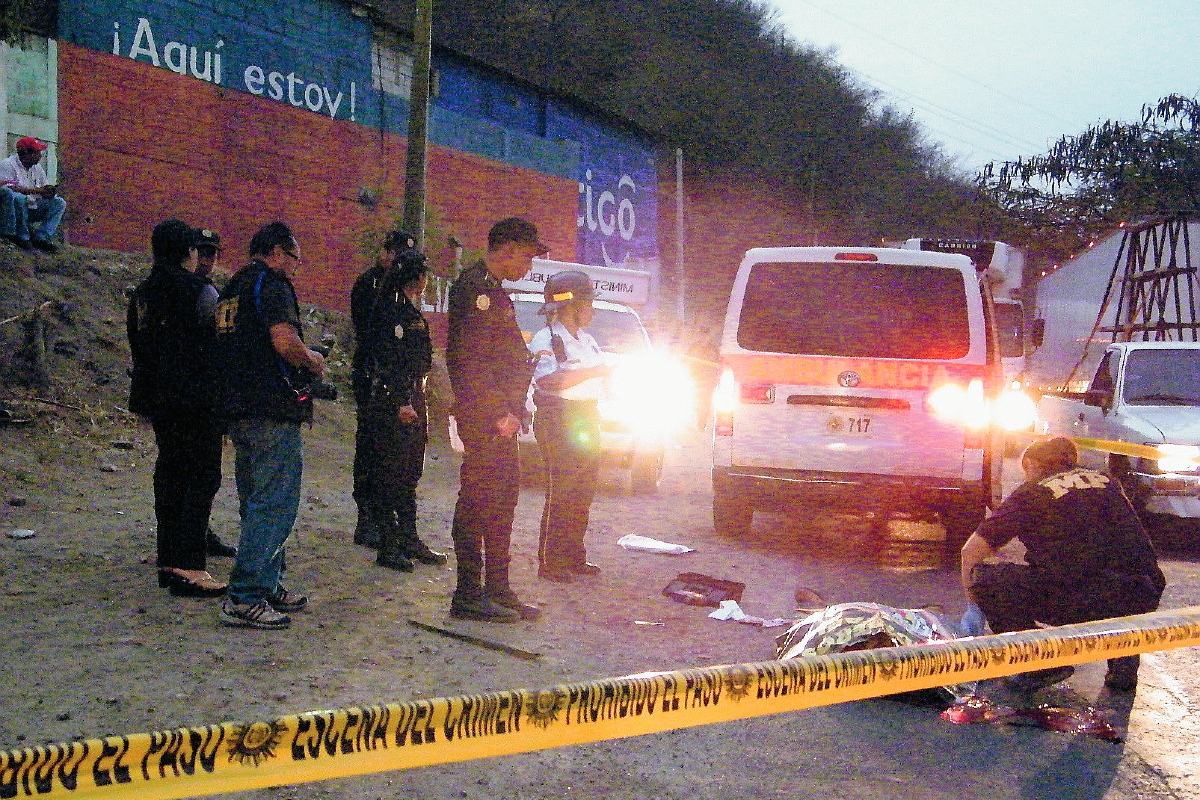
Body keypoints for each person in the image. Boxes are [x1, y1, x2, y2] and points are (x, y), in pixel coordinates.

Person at [961, 436, 1166, 693]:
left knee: (987, 580)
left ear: (1033, 465)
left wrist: (974, 606)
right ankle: (1123, 665)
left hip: (1084, 599)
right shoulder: (1107, 482)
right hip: (1142, 595)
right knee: (1122, 578)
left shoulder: (1033, 492)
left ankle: (1039, 663)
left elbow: (971, 551)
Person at [212, 221, 325, 629]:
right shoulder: (271, 283)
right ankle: (244, 596)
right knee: (274, 504)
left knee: (255, 502)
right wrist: (312, 360)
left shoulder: (233, 288)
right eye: (295, 258)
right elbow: (284, 342)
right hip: (270, 407)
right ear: (278, 252)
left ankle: (267, 580)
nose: (296, 266)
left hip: (237, 407)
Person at [445, 217, 547, 623]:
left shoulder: (495, 291)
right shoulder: (475, 289)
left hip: (503, 417)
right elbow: (468, 361)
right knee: (477, 500)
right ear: (505, 249)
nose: (529, 265)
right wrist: (497, 413)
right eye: (526, 255)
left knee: (503, 500)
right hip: (487, 419)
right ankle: (468, 594)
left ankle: (498, 588)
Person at [127, 219, 226, 598]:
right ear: (187, 252)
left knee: (169, 473)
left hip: (156, 397)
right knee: (200, 478)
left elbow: (138, 343)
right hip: (196, 400)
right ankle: (190, 566)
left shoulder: (142, 294)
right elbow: (217, 344)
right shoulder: (200, 292)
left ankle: (169, 561)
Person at [353, 231, 447, 572]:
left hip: (413, 396)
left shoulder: (408, 310)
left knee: (410, 472)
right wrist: (402, 401)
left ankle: (408, 536)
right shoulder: (393, 312)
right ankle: (389, 543)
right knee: (390, 471)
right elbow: (389, 360)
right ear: (417, 278)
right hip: (396, 400)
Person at [528, 270, 611, 582]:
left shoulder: (587, 341)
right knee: (561, 490)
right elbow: (550, 380)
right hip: (558, 417)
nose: (592, 310)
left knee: (583, 490)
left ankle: (574, 555)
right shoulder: (547, 339)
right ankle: (551, 561)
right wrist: (593, 373)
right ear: (572, 307)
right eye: (588, 304)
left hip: (586, 415)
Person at [350, 230, 411, 549]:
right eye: (396, 256)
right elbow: (369, 333)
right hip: (372, 374)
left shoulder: (401, 290)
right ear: (385, 253)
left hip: (394, 377)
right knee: (370, 446)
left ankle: (387, 516)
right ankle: (366, 518)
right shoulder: (369, 284)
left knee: (392, 451)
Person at [191, 226, 238, 560]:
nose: (208, 260)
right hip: (197, 393)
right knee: (201, 472)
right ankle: (192, 535)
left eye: (212, 253)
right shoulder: (199, 293)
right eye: (202, 252)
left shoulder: (206, 291)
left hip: (194, 392)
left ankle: (196, 531)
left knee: (199, 471)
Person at [0, 137, 67, 253]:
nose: (40, 156)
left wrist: (48, 192)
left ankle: (41, 238)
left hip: (32, 207)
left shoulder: (37, 168)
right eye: (37, 152)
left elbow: (42, 188)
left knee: (59, 203)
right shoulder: (8, 164)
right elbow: (9, 188)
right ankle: (23, 238)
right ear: (25, 153)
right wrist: (38, 191)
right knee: (19, 198)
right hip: (14, 210)